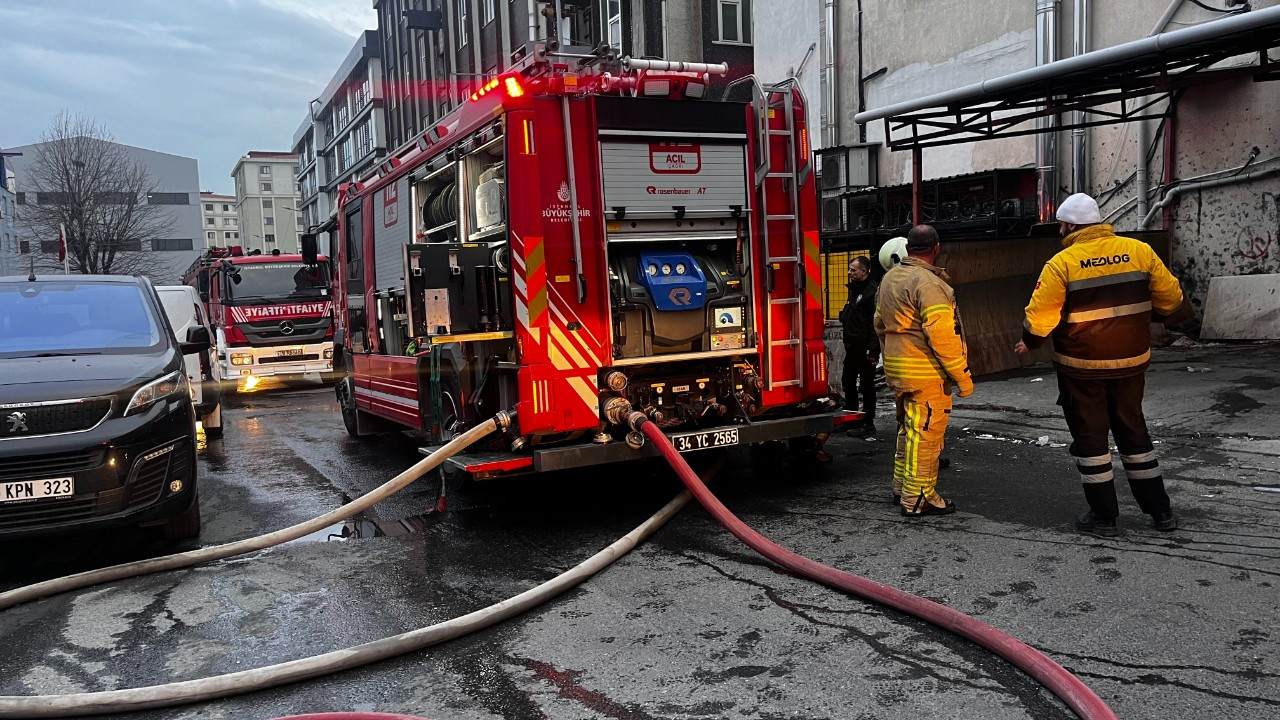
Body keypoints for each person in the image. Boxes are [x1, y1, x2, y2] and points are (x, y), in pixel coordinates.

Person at [1015, 193, 1184, 537]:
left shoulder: (1062, 262)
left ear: (1070, 226)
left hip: (1082, 368)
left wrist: (1028, 342)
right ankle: (1161, 512)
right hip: (1131, 364)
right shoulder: (1139, 251)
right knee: (1134, 432)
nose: (1060, 230)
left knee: (1092, 442)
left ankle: (1104, 516)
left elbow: (1040, 319)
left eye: (1061, 225)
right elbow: (1172, 300)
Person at [875, 225, 973, 517]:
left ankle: (901, 487)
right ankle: (918, 498)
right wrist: (962, 377)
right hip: (925, 372)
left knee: (908, 430)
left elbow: (879, 324)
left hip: (899, 369)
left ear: (908, 248)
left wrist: (889, 355)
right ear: (936, 248)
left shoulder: (890, 279)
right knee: (927, 435)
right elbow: (942, 336)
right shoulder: (929, 284)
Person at [839, 255, 879, 436]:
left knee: (867, 386)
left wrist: (872, 350)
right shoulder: (855, 290)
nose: (849, 273)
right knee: (847, 381)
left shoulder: (871, 292)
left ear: (864, 271)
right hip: (853, 347)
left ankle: (867, 424)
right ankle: (851, 419)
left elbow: (875, 324)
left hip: (864, 348)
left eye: (853, 270)